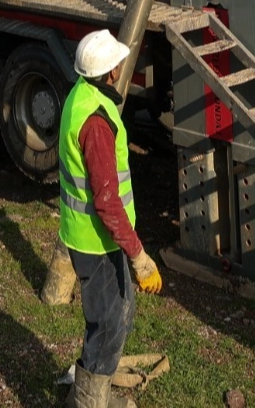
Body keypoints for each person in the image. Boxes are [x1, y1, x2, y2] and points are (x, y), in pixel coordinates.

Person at [59, 30, 164, 408]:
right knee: (107, 327)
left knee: (117, 318)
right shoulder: (96, 125)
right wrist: (139, 256)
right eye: (117, 64)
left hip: (93, 236)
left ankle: (91, 394)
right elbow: (106, 201)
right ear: (111, 73)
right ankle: (87, 403)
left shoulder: (81, 96)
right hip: (97, 241)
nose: (121, 67)